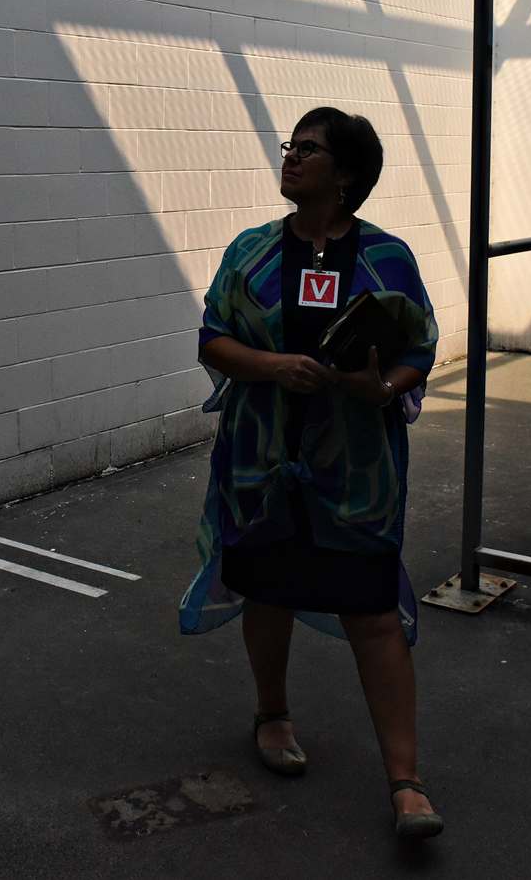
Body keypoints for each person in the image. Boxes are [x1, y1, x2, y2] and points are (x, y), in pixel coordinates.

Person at [178, 106, 443, 840]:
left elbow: (418, 343)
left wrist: (381, 387)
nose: (291, 157)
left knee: (372, 610)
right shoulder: (254, 251)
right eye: (290, 145)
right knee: (269, 588)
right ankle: (272, 712)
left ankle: (406, 781)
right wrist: (274, 366)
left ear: (347, 173)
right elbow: (213, 338)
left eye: (310, 148)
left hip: (355, 478)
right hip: (261, 466)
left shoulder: (386, 258)